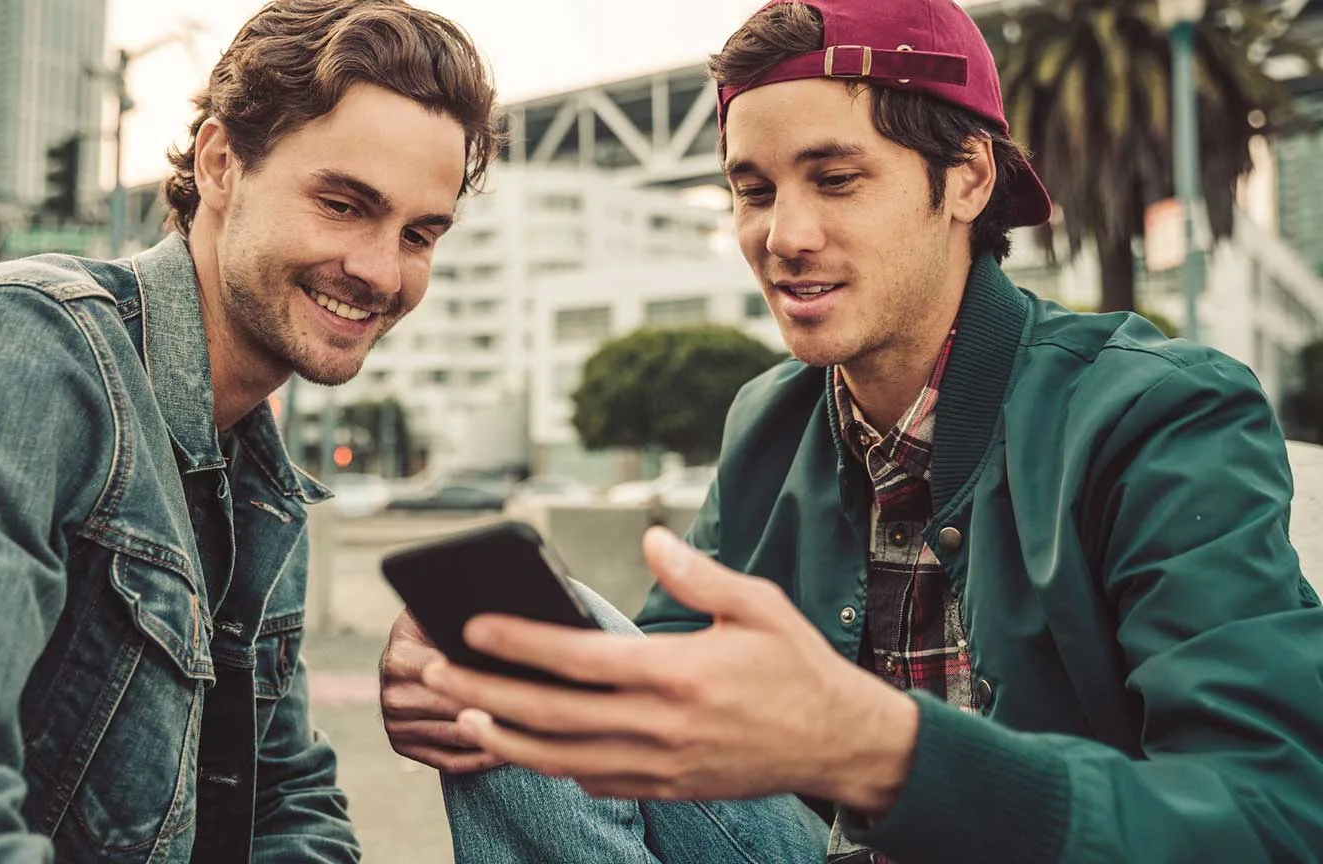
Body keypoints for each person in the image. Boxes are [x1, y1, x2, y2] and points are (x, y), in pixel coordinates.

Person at [379, 0, 1323, 861]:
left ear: (966, 178)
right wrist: (467, 681)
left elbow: (1277, 813)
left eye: (835, 178)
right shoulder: (767, 418)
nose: (783, 235)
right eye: (752, 191)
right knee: (531, 654)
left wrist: (883, 751)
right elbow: (665, 672)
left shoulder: (1160, 412)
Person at [0, 2, 497, 861]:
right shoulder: (21, 356)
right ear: (222, 162)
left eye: (419, 234)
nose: (382, 271)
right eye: (344, 204)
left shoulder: (260, 489)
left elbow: (281, 800)